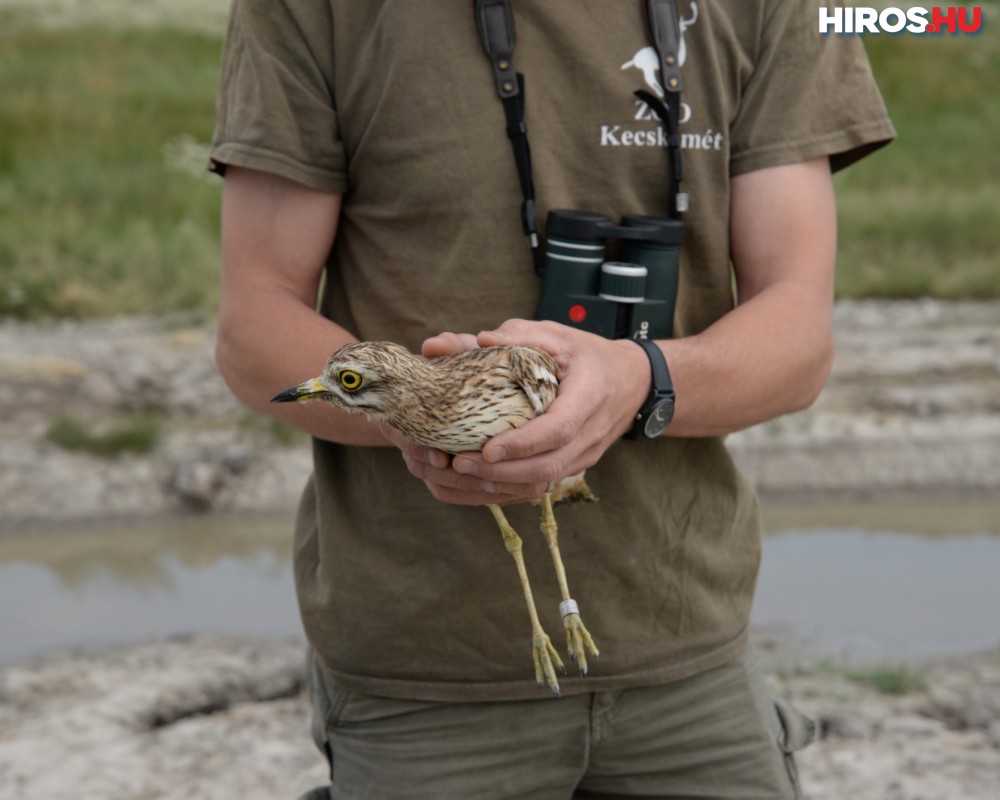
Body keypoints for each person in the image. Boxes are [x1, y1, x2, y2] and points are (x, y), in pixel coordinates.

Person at [209, 1, 894, 797]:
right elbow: (253, 329)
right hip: (423, 673)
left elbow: (799, 341)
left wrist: (636, 381)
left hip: (689, 650)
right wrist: (424, 421)